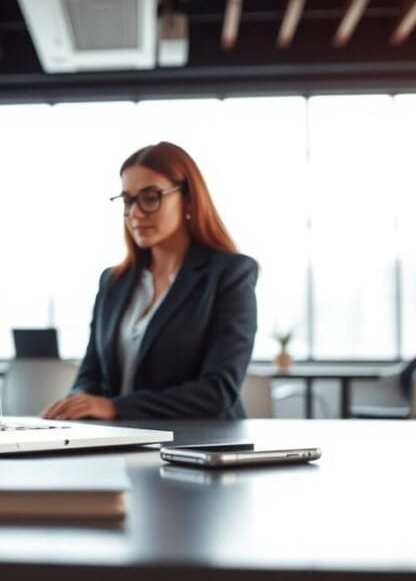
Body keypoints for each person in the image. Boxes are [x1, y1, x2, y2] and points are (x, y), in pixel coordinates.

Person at [42, 141, 257, 420]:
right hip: (120, 445)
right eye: (128, 200)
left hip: (200, 445)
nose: (135, 213)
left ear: (189, 199)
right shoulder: (113, 281)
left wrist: (116, 407)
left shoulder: (230, 274)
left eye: (150, 197)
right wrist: (78, 405)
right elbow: (90, 375)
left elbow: (218, 391)